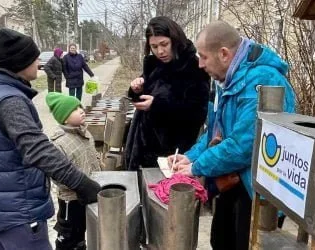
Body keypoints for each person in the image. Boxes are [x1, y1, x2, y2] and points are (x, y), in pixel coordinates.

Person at [0, 28, 102, 250]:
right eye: (34, 57)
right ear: (20, 63)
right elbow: (39, 150)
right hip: (20, 212)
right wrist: (81, 183)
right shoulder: (10, 101)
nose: (39, 61)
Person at [169, 21, 296, 250]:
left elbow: (243, 145)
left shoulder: (261, 81)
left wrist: (197, 167)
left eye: (203, 56)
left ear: (224, 54)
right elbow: (216, 131)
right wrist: (190, 156)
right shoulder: (228, 78)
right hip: (234, 180)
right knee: (220, 240)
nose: (199, 64)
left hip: (259, 191)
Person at [125, 16, 210, 171]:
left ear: (175, 40)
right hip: (141, 147)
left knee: (162, 193)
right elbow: (149, 90)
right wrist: (136, 89)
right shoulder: (154, 65)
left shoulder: (194, 67)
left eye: (164, 44)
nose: (160, 51)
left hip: (171, 154)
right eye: (154, 46)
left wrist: (157, 105)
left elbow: (197, 113)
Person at [46, 92, 101, 250]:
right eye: (75, 109)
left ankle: (81, 245)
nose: (81, 110)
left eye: (80, 106)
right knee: (69, 234)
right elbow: (57, 175)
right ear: (64, 118)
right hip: (71, 199)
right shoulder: (59, 143)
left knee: (84, 228)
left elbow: (92, 157)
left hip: (88, 192)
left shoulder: (84, 132)